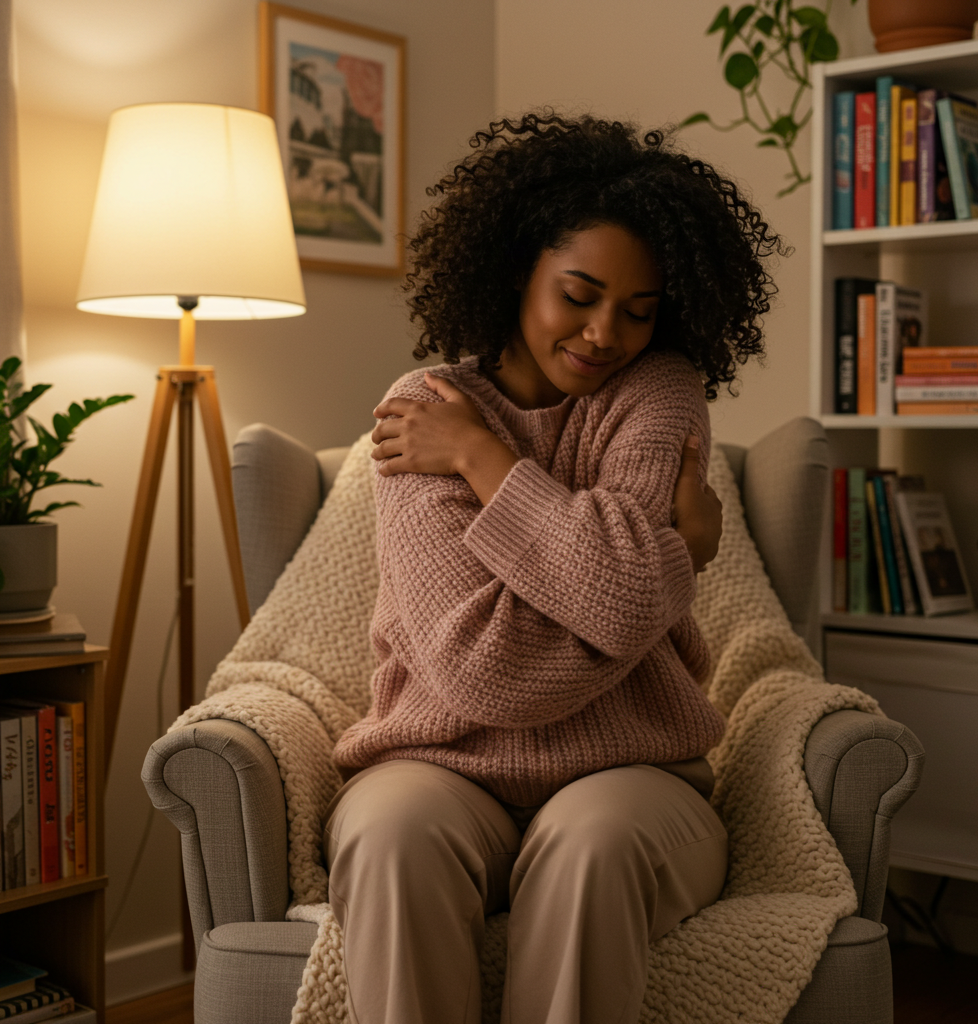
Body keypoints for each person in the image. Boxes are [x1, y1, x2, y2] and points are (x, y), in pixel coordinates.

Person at [322, 111, 785, 1024]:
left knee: (594, 845)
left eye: (639, 311)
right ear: (517, 266)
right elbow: (484, 675)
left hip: (638, 778)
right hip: (440, 762)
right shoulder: (424, 407)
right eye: (579, 294)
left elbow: (613, 599)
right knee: (390, 836)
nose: (606, 332)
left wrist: (482, 462)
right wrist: (666, 568)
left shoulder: (659, 391)